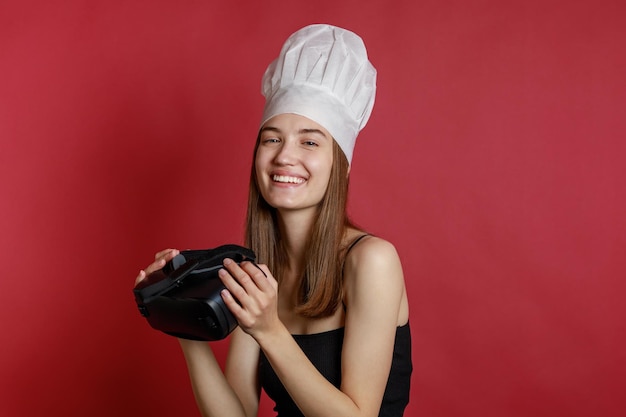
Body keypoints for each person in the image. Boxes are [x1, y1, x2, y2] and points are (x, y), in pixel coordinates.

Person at [135, 24, 412, 417]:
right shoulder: (259, 271)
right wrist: (182, 322)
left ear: (342, 167)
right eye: (272, 138)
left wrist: (269, 330)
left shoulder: (372, 260)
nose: (285, 156)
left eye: (310, 141)